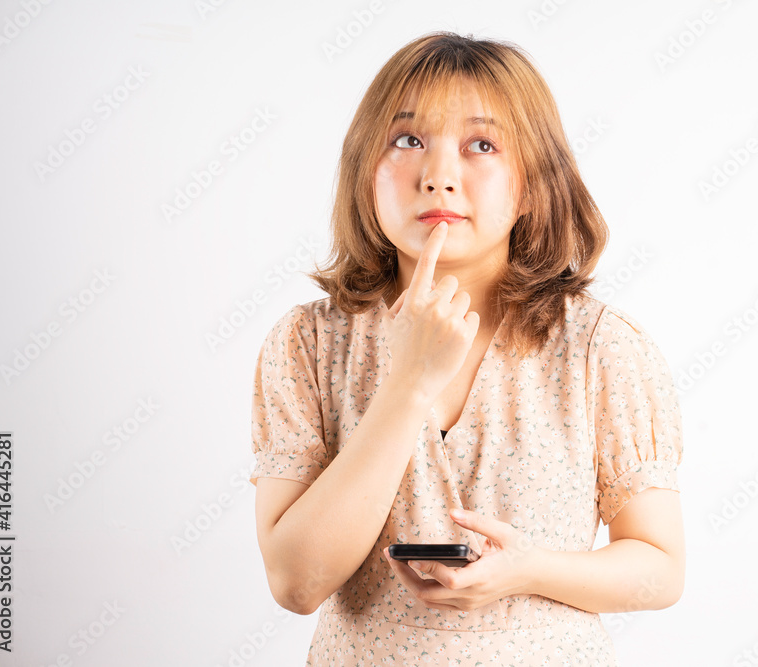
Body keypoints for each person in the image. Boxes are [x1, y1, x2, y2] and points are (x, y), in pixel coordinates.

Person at [249, 31, 685, 666]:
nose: (438, 177)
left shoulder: (602, 348)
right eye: (407, 141)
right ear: (365, 168)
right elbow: (296, 582)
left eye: (481, 145)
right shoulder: (308, 343)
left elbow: (660, 570)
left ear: (534, 182)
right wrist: (406, 385)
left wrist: (527, 570)